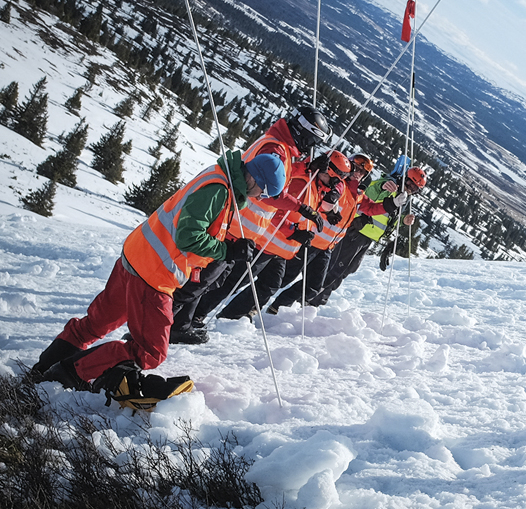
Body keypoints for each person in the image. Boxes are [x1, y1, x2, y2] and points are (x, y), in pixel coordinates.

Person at [31, 151, 286, 391]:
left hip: (136, 256)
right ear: (253, 177)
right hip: (154, 274)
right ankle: (66, 375)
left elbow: (192, 224)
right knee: (151, 352)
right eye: (262, 192)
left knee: (95, 324)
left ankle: (42, 369)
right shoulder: (219, 190)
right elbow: (188, 237)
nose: (259, 198)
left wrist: (229, 245)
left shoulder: (219, 177)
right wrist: (227, 252)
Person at [170, 105, 329, 344]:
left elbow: (279, 172)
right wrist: (300, 207)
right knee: (203, 279)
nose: (310, 147)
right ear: (302, 133)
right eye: (311, 140)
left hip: (241, 225)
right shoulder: (275, 147)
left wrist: (304, 168)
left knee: (212, 279)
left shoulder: (279, 146)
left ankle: (183, 322)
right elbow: (270, 189)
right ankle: (171, 323)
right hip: (237, 225)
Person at [211, 149, 351, 323]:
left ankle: (234, 316)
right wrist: (294, 232)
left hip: (279, 248)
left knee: (270, 284)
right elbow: (277, 214)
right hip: (265, 242)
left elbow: (307, 208)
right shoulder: (301, 184)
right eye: (336, 178)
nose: (336, 183)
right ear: (327, 171)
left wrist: (324, 212)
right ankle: (201, 312)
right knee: (234, 281)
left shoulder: (316, 186)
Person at [305, 161, 425, 307]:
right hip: (358, 230)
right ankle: (312, 298)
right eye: (410, 184)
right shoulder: (388, 184)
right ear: (404, 177)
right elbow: (368, 193)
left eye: (416, 189)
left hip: (369, 236)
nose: (411, 189)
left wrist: (403, 221)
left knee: (348, 269)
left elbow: (391, 218)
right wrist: (382, 187)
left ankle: (315, 296)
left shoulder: (404, 197)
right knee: (337, 267)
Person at [268, 151, 374, 313]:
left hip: (326, 246)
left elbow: (372, 207)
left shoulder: (357, 194)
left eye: (363, 172)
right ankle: (255, 301)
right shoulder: (340, 184)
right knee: (284, 277)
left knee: (314, 286)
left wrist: (392, 204)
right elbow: (332, 195)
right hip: (310, 239)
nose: (358, 174)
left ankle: (277, 307)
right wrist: (331, 202)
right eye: (357, 169)